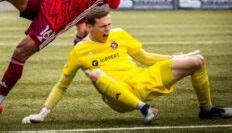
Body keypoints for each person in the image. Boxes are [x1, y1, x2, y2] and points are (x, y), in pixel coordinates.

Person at [22, 6, 232, 125]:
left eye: (110, 24)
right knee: (94, 74)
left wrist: (173, 57)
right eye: (103, 26)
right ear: (89, 27)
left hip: (142, 81)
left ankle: (207, 109)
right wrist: (42, 113)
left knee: (197, 62)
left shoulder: (119, 35)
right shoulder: (79, 51)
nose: (108, 29)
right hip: (120, 97)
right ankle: (145, 109)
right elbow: (61, 85)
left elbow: (146, 58)